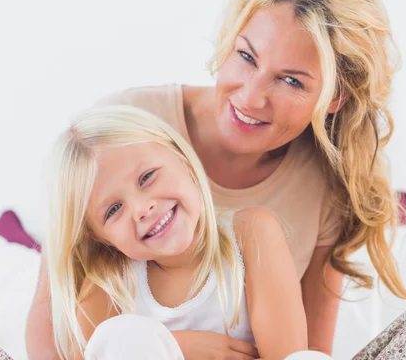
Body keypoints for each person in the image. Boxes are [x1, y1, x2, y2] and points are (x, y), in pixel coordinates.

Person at [27, 0, 406, 358]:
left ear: (336, 97)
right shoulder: (120, 132)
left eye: (292, 80)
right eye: (246, 55)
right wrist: (174, 346)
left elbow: (305, 353)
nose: (251, 97)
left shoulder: (315, 192)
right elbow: (65, 341)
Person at [45, 104, 309, 360]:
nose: (141, 208)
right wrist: (172, 347)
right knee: (116, 336)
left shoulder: (249, 234)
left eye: (147, 177)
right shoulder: (110, 283)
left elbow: (289, 358)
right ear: (100, 237)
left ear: (181, 158)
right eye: (114, 209)